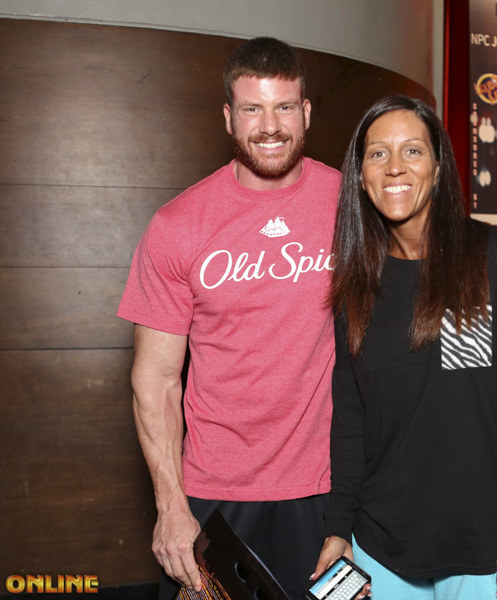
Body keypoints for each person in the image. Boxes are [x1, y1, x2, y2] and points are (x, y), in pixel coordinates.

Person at [117, 37, 340, 599]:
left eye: (284, 107)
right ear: (228, 117)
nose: (270, 126)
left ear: (306, 112)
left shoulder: (351, 207)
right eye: (252, 109)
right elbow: (155, 378)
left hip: (325, 490)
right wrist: (171, 505)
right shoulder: (178, 225)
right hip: (213, 493)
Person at [313, 95, 497, 600]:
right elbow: (351, 419)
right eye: (378, 154)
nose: (394, 167)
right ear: (360, 177)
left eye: (412, 151)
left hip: (486, 552)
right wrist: (339, 528)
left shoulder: (496, 258)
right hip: (380, 549)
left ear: (439, 167)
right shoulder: (356, 285)